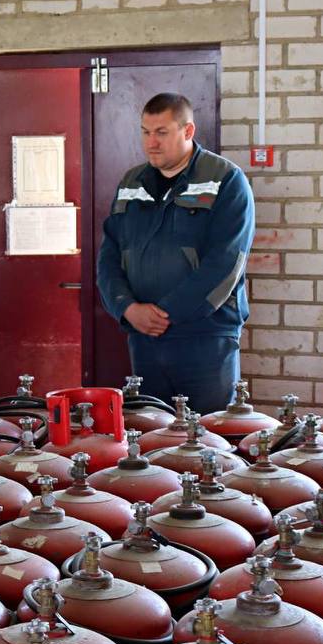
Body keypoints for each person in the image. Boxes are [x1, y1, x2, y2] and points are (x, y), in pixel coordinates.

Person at [96, 93, 255, 415]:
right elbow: (109, 256)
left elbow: (226, 262)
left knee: (209, 438)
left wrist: (165, 315)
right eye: (145, 132)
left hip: (206, 337)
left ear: (188, 131)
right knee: (151, 439)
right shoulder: (132, 182)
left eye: (162, 132)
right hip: (143, 337)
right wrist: (127, 309)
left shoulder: (225, 180)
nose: (151, 143)